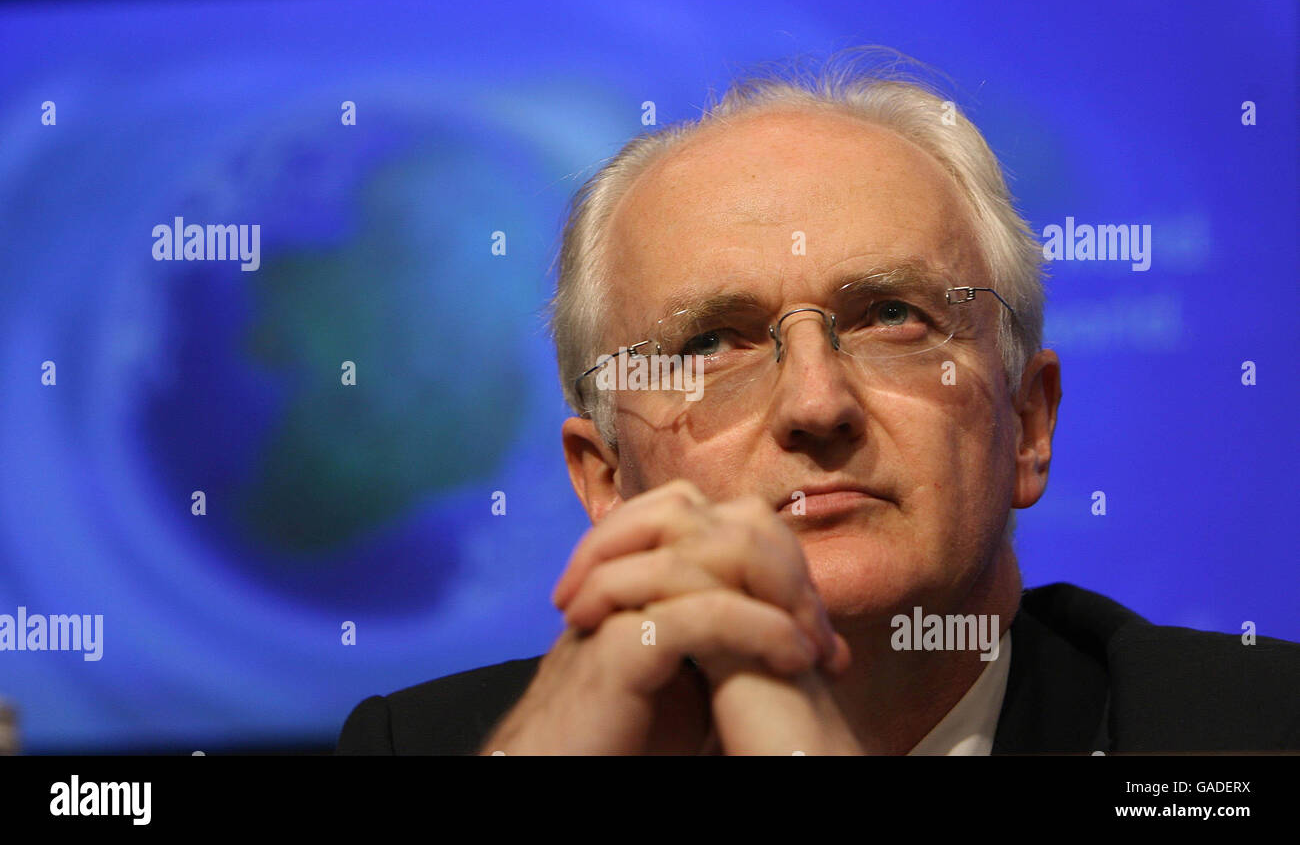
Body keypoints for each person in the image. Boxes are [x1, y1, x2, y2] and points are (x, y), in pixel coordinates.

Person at [337, 48, 1300, 755]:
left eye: (893, 316)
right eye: (711, 341)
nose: (815, 401)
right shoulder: (427, 747)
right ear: (608, 481)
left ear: (1029, 425)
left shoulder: (1248, 737)